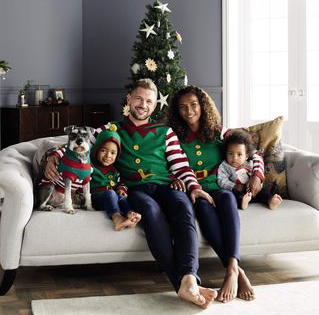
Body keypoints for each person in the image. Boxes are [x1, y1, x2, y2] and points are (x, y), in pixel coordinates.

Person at [44, 79, 217, 308]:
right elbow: (78, 142)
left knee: (184, 209)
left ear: (155, 105)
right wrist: (53, 156)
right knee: (150, 212)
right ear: (129, 100)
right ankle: (185, 284)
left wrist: (194, 187)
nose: (143, 104)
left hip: (165, 185)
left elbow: (181, 166)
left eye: (148, 101)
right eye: (138, 98)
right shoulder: (111, 129)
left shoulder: (165, 131)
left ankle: (188, 277)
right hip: (134, 189)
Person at [166, 85, 265, 303]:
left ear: (203, 105)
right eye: (182, 107)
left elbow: (253, 152)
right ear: (177, 111)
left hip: (220, 184)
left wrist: (258, 173)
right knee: (203, 209)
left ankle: (232, 270)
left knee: (228, 198)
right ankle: (238, 272)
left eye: (193, 105)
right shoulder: (173, 135)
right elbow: (167, 163)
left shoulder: (219, 132)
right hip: (195, 189)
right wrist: (174, 179)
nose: (189, 111)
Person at [90, 125, 141, 231]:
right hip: (96, 198)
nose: (108, 155)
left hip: (112, 197)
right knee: (111, 193)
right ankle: (117, 218)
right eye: (103, 150)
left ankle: (130, 215)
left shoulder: (115, 170)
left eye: (113, 153)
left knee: (122, 198)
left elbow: (121, 182)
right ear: (96, 149)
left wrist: (121, 189)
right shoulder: (91, 166)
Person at [218, 129, 282, 210]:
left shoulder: (250, 163)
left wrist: (256, 183)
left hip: (254, 190)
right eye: (230, 153)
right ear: (226, 153)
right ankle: (243, 203)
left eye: (239, 154)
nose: (234, 158)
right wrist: (234, 186)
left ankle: (270, 201)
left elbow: (257, 176)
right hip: (239, 191)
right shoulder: (224, 166)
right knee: (234, 196)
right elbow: (221, 180)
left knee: (264, 192)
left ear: (246, 156)